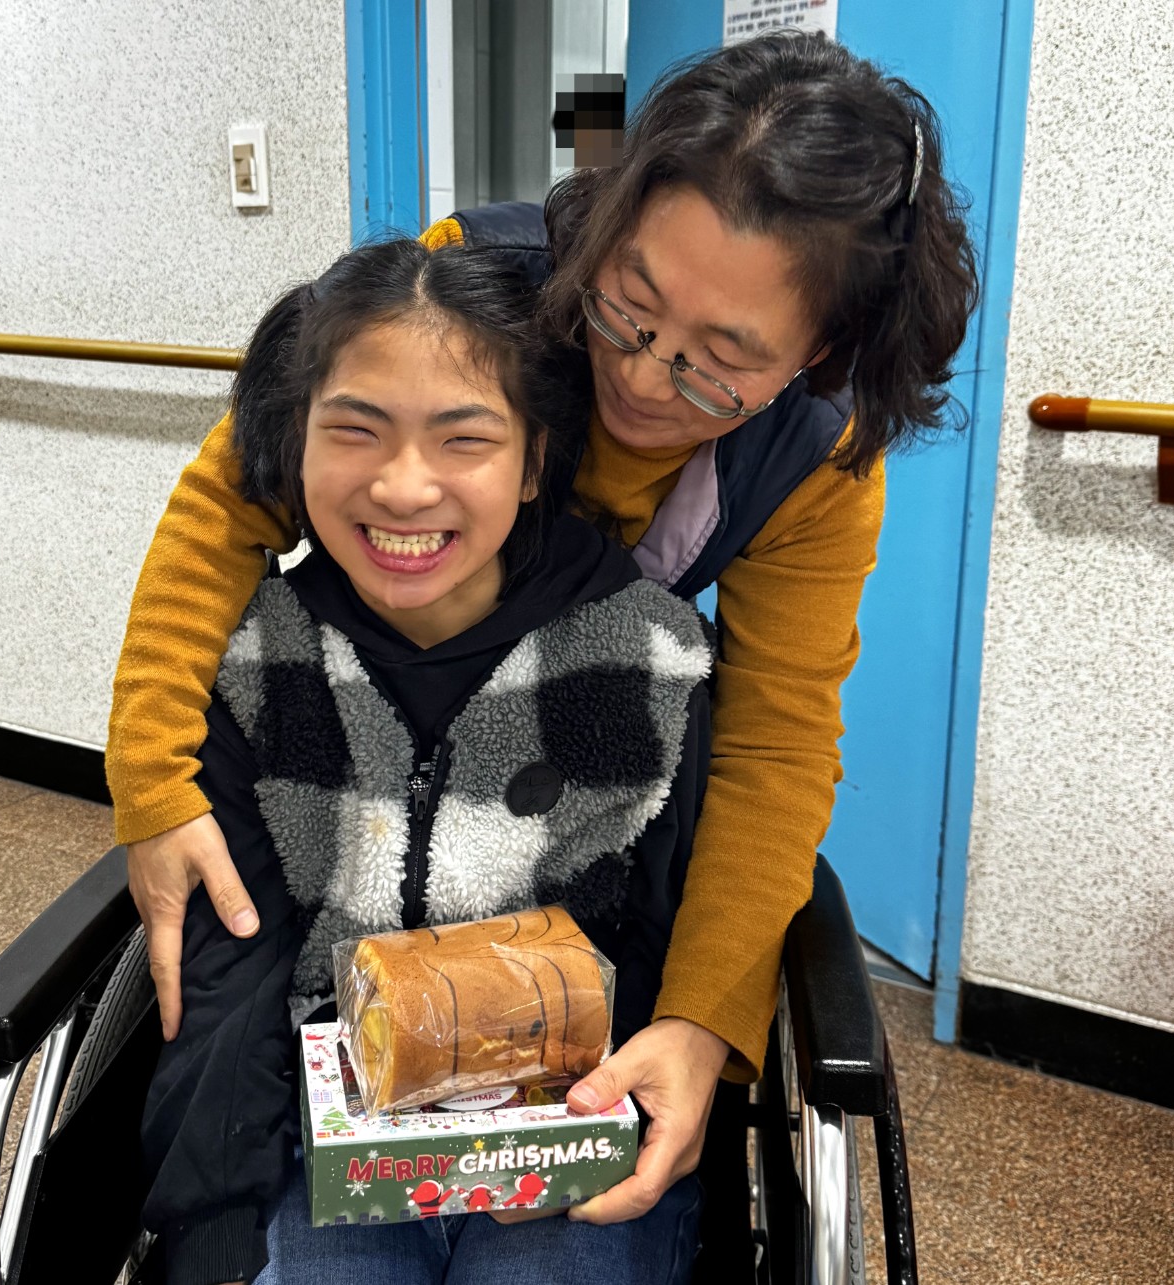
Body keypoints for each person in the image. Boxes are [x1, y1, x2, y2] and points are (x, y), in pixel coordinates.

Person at [111, 30, 978, 1228]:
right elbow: (231, 501)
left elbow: (776, 748)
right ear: (611, 222)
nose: (648, 378)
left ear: (817, 354)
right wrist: (150, 780)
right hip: (373, 767)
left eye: (723, 362)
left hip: (567, 819)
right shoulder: (475, 284)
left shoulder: (813, 461)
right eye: (630, 305)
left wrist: (701, 1022)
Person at [140, 236, 712, 1285]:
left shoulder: (650, 661)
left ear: (535, 461)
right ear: (292, 444)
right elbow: (235, 967)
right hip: (326, 1119)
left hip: (575, 1122)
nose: (404, 487)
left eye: (464, 439)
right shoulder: (257, 663)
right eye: (355, 430)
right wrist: (211, 1221)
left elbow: (675, 940)